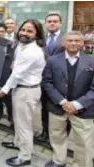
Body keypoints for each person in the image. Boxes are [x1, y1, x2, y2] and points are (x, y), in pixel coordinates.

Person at [0, 19, 46, 166]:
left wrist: (4, 90)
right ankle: (17, 142)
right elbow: (16, 64)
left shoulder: (33, 51)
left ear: (37, 34)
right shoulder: (21, 45)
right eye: (23, 29)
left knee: (24, 125)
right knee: (18, 120)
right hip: (21, 89)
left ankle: (24, 157)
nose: (24, 33)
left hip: (26, 91)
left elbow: (16, 74)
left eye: (30, 31)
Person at [42, 31, 94, 167]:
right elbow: (47, 83)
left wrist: (77, 104)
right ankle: (59, 160)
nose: (73, 43)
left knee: (83, 142)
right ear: (63, 43)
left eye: (77, 40)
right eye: (70, 40)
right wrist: (62, 101)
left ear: (82, 43)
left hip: (83, 109)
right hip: (58, 106)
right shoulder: (52, 60)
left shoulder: (93, 61)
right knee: (57, 135)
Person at [36, 13, 67, 143]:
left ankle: (56, 135)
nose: (52, 23)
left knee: (56, 108)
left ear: (60, 23)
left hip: (58, 80)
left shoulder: (66, 38)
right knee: (44, 106)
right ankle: (45, 132)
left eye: (55, 21)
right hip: (42, 79)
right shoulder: (40, 39)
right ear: (46, 23)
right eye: (49, 21)